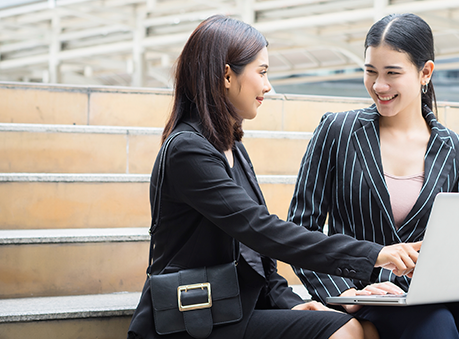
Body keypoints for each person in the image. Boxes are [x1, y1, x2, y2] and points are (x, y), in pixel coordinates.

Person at [127, 15, 423, 339]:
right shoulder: (187, 151)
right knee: (347, 331)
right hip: (192, 318)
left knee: (364, 327)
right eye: (262, 72)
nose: (268, 86)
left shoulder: (230, 146)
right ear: (227, 75)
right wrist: (374, 254)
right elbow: (261, 229)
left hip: (233, 309)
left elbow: (256, 250)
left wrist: (290, 303)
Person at [288, 13, 459, 339]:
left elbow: (457, 243)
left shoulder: (458, 151)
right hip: (365, 293)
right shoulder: (337, 131)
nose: (379, 85)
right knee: (434, 325)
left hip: (427, 292)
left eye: (392, 73)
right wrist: (343, 293)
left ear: (425, 73)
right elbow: (300, 228)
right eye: (370, 72)